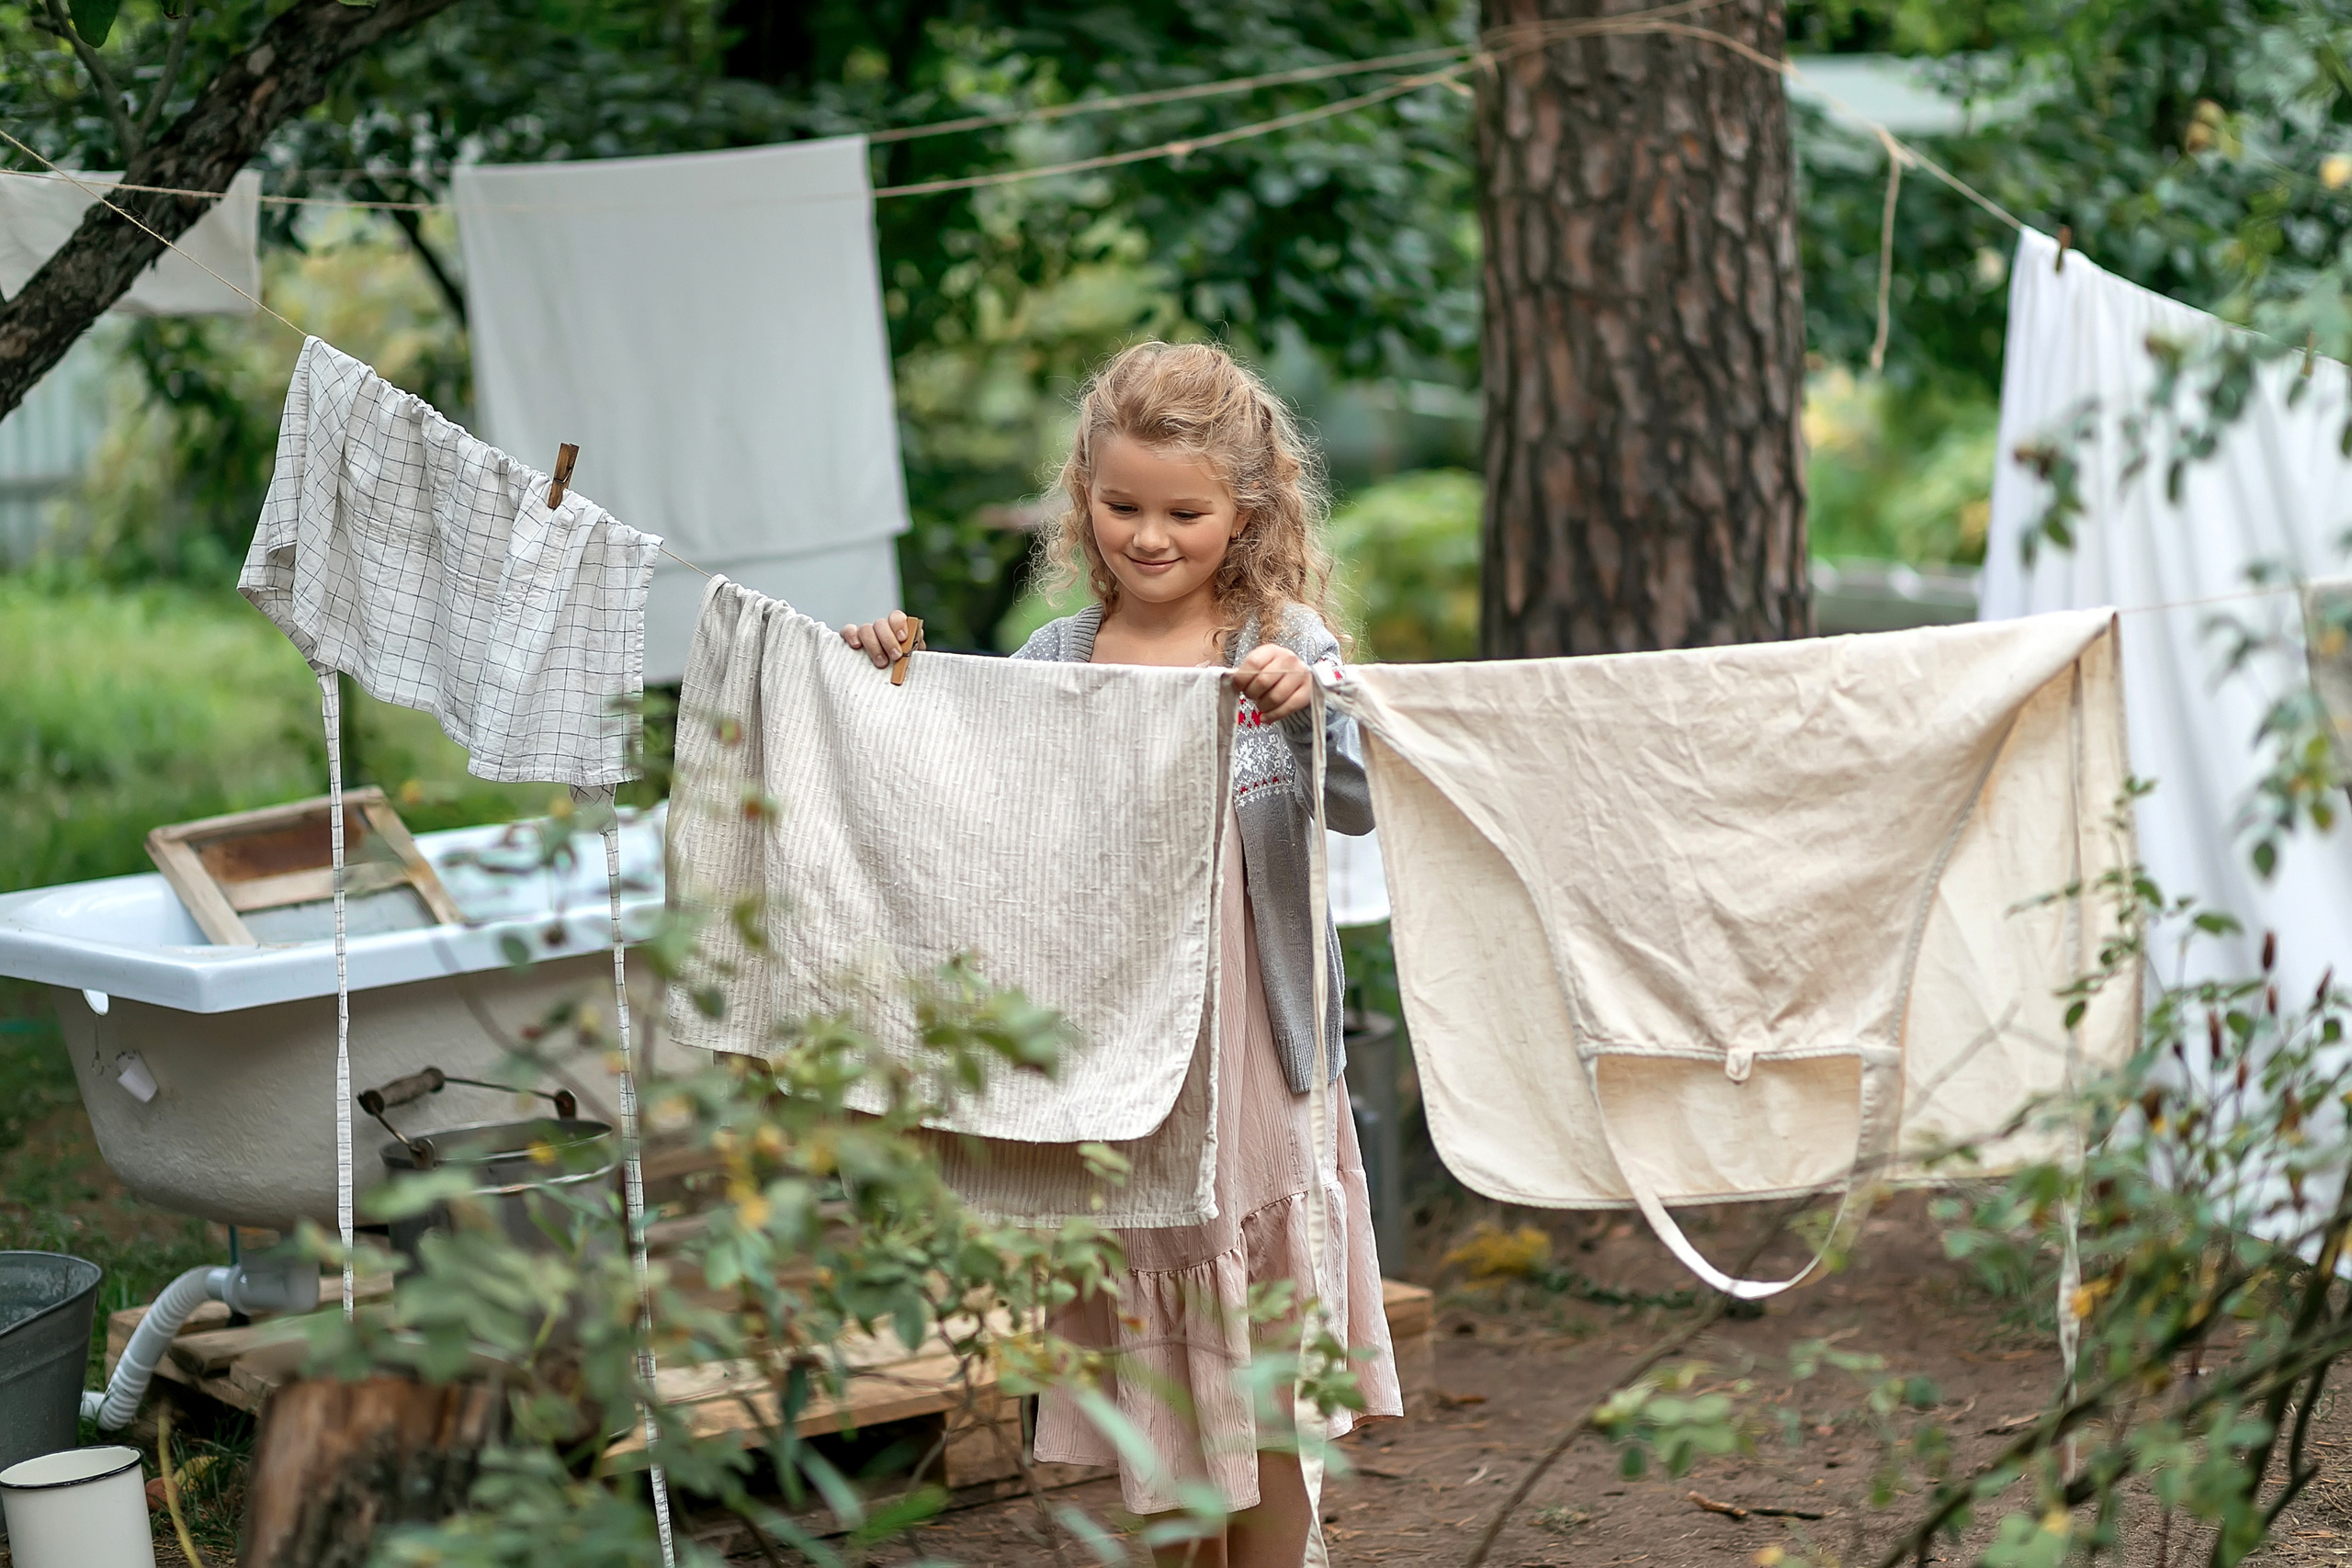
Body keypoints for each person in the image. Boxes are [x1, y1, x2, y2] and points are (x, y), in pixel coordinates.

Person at [843, 340, 1399, 1566]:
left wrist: (1310, 704)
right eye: (1121, 505)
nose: (1150, 537)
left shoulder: (1278, 636)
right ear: (1083, 498)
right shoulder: (1057, 660)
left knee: (1264, 1358)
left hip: (1255, 1056)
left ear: (1245, 510)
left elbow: (1367, 796)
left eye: (1186, 512)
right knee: (1149, 1358)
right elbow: (963, 802)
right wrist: (886, 680)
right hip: (1120, 1070)